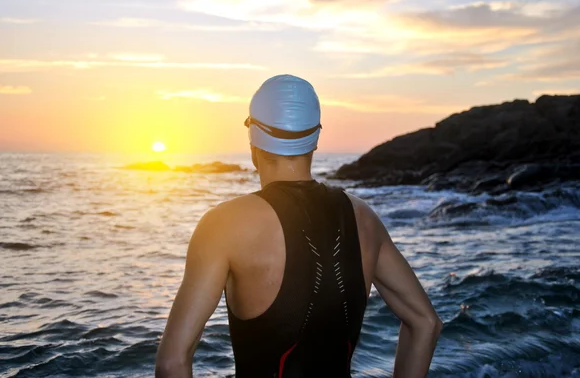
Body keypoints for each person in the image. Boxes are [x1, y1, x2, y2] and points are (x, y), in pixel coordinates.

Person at [155, 75, 442, 378]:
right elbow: (425, 322)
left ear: (253, 140)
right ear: (315, 140)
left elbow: (172, 361)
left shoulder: (224, 225)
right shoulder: (364, 217)